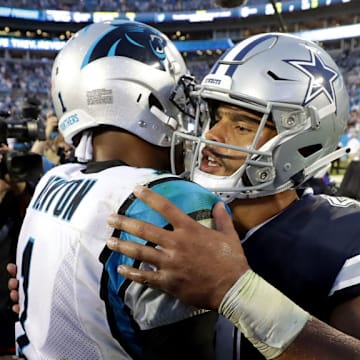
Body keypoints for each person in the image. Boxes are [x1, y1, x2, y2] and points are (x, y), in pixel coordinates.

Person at [104, 33, 360, 359]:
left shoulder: (344, 233)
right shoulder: (182, 212)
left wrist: (237, 293)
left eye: (241, 126)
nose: (211, 135)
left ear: (300, 143)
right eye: (215, 117)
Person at [15, 20, 221, 360]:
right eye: (178, 101)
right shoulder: (168, 200)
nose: (185, 116)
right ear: (143, 98)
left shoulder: (54, 180)